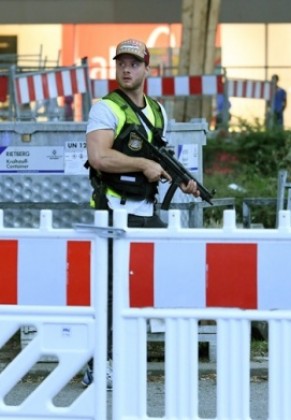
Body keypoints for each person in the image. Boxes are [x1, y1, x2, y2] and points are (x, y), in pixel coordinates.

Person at [83, 38, 200, 388]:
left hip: (146, 210)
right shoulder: (106, 109)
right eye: (121, 63)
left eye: (134, 63)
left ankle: (127, 353)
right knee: (107, 290)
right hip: (112, 212)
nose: (127, 69)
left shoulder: (158, 111)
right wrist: (144, 164)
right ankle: (97, 362)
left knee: (149, 285)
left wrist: (182, 181)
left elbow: (162, 157)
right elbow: (100, 157)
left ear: (148, 69)